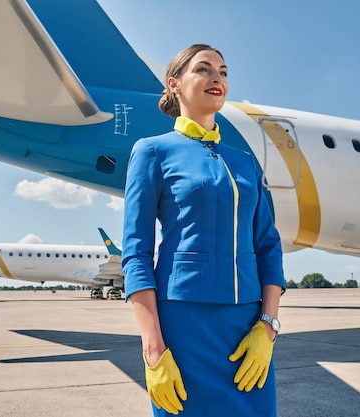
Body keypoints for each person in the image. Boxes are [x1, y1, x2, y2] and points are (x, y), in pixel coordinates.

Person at [121, 44, 286, 416]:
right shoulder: (152, 151)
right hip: (182, 325)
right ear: (175, 84)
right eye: (204, 69)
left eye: (224, 72)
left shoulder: (244, 161)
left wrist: (268, 326)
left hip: (247, 327)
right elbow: (136, 252)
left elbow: (267, 246)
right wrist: (153, 350)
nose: (217, 78)